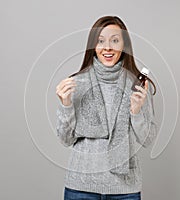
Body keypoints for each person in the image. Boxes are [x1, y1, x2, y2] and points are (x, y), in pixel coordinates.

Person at [56, 16, 158, 200]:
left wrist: (135, 112)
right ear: (93, 46)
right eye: (101, 41)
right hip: (81, 187)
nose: (108, 47)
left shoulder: (137, 85)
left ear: (124, 45)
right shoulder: (77, 83)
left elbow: (148, 140)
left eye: (115, 40)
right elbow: (65, 139)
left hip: (124, 190)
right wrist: (66, 105)